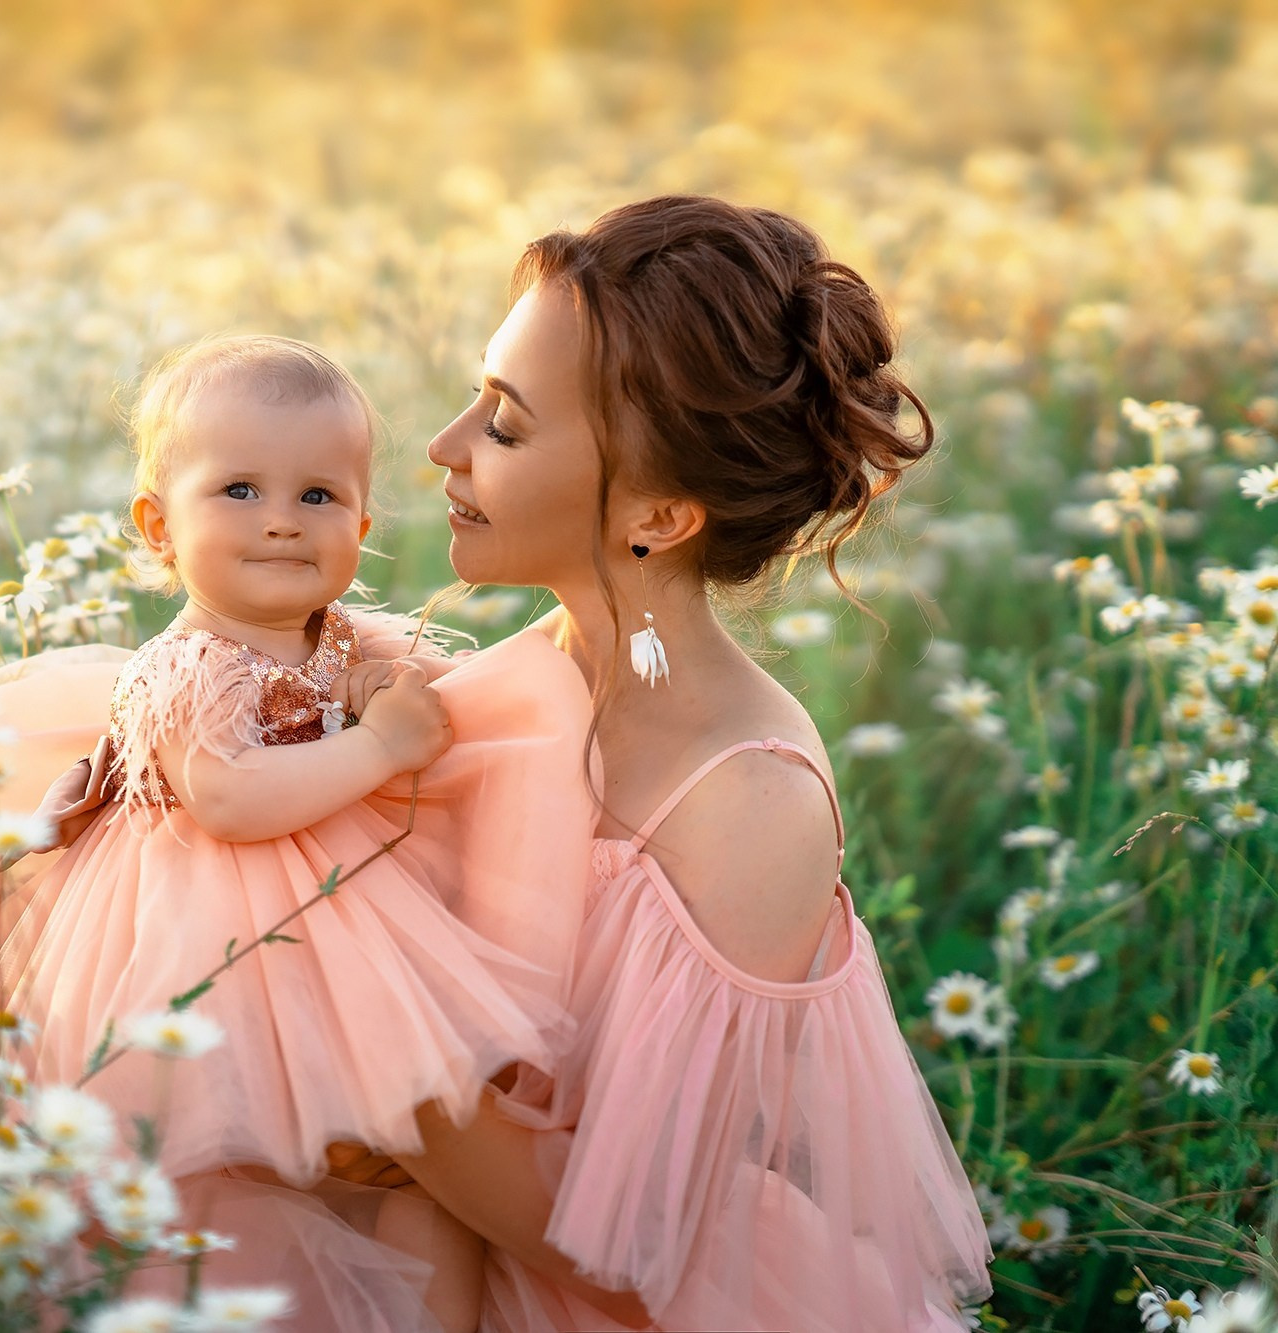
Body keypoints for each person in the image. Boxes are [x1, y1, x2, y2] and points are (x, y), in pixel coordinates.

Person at [315, 195, 995, 1331]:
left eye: (506, 424)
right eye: (479, 396)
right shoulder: (477, 693)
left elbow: (634, 1245)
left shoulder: (748, 799)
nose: (442, 446)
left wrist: (387, 1070)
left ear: (661, 515)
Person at [0, 334, 599, 1331]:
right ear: (157, 526)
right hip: (210, 952)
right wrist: (374, 751)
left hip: (346, 941)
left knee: (412, 1186)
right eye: (238, 490)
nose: (280, 522)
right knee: (227, 1178)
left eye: (317, 497)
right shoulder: (179, 669)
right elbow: (230, 799)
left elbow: (423, 712)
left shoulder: (346, 644)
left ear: (362, 523)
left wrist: (380, 699)